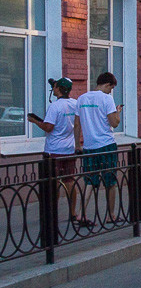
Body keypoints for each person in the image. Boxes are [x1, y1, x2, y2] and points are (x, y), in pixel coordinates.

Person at [29, 78, 81, 226]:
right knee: (69, 181)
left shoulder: (55, 107)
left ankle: (51, 214)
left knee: (52, 183)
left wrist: (35, 121)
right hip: (69, 149)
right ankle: (72, 213)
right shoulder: (75, 104)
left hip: (54, 151)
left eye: (55, 87)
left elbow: (48, 127)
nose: (53, 89)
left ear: (58, 89)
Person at [75, 72, 122, 225]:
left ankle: (81, 214)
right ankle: (111, 215)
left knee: (89, 181)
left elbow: (77, 124)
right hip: (106, 145)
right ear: (107, 84)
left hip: (89, 146)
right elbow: (114, 123)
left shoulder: (81, 98)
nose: (111, 91)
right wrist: (118, 113)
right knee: (110, 181)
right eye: (111, 88)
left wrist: (77, 144)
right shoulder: (106, 98)